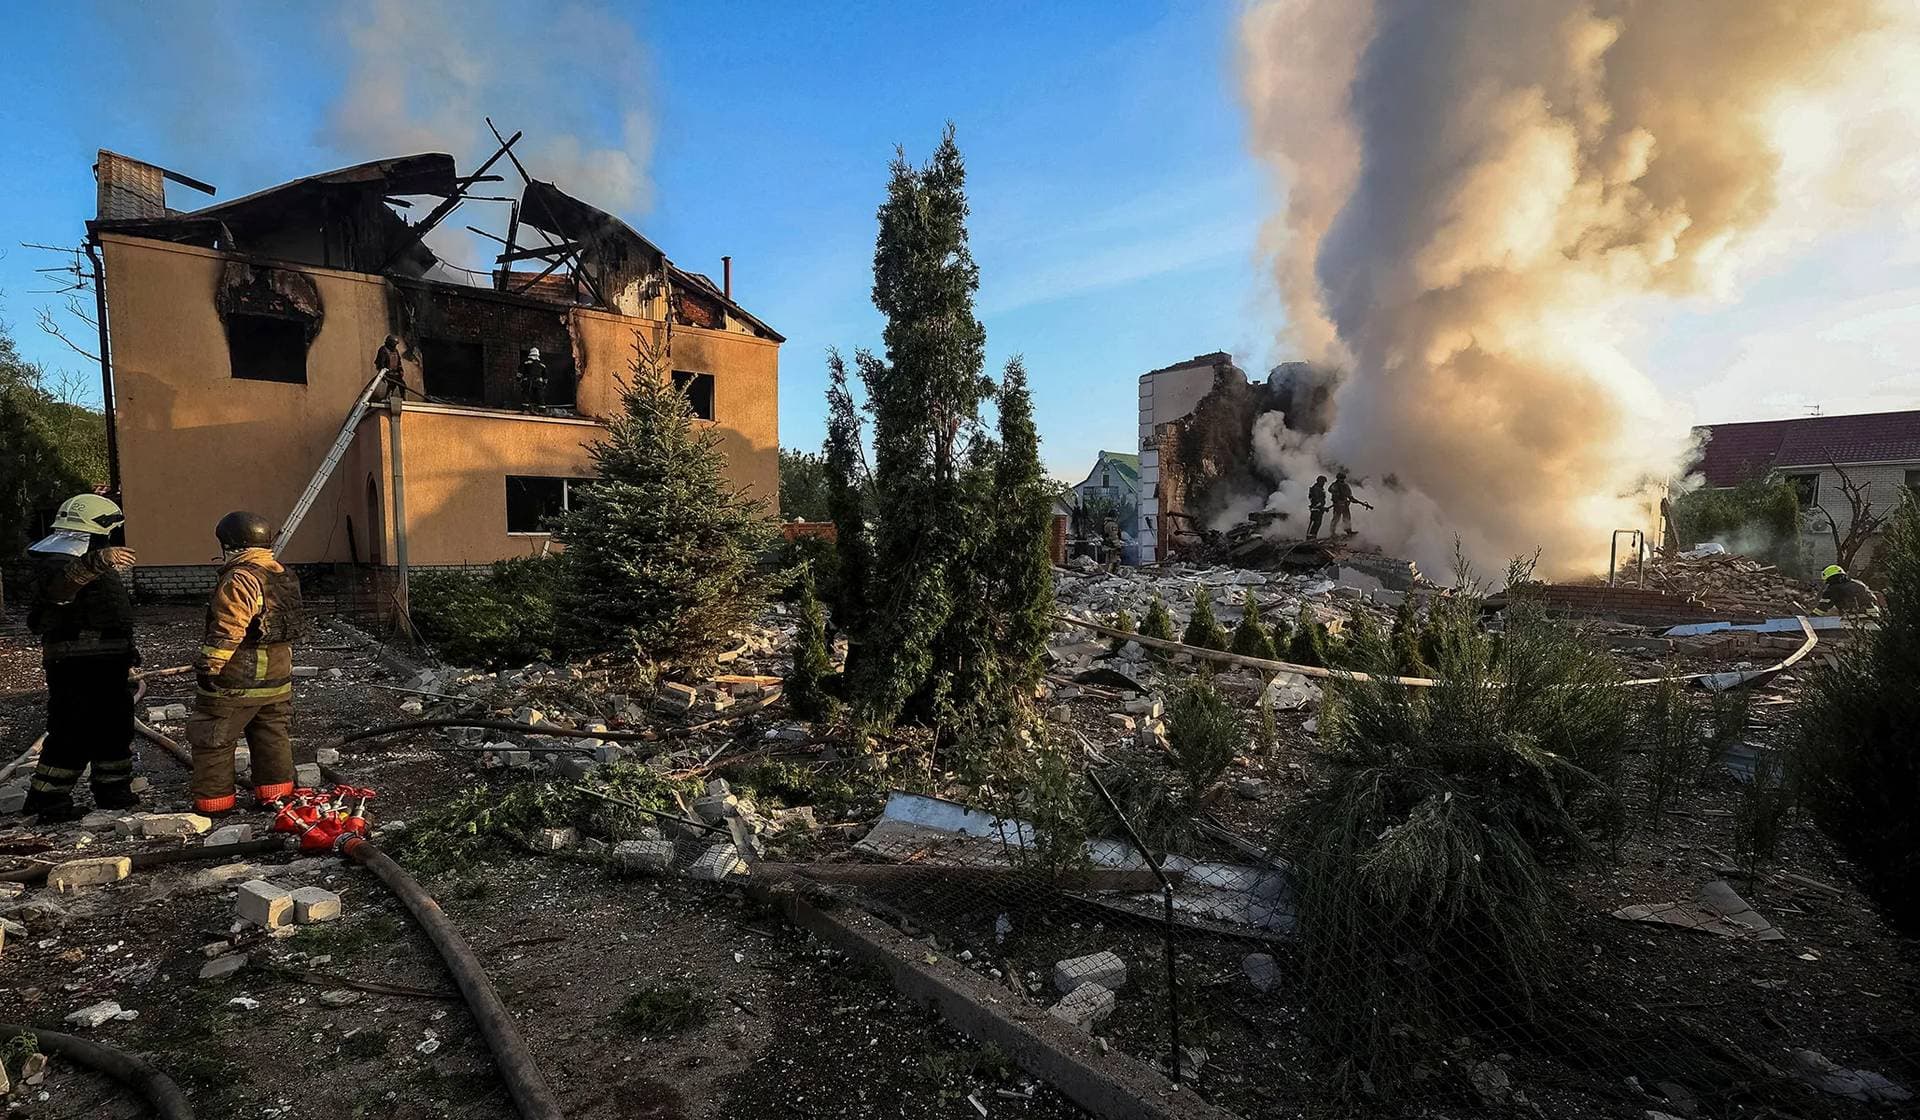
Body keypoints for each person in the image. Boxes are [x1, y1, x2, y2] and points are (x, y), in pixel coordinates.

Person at [21, 495, 141, 821]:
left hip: (107, 662)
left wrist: (125, 649)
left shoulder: (84, 558)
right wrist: (97, 561)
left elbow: (105, 611)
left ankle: (113, 792)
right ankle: (47, 800)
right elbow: (60, 591)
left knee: (114, 726)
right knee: (73, 729)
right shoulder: (57, 561)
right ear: (98, 530)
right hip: (75, 664)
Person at [187, 511, 306, 815]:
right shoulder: (282, 574)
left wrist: (209, 667)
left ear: (229, 543)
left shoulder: (240, 578)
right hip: (278, 678)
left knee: (213, 737)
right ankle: (276, 796)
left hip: (238, 680)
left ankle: (214, 803)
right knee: (272, 738)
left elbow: (229, 627)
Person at [1818, 564, 1883, 615]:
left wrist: (1813, 617)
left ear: (1830, 579)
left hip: (1853, 618)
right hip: (1874, 616)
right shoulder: (1858, 583)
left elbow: (1823, 607)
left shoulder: (1833, 588)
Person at [1328, 470, 1372, 536]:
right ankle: (1332, 532)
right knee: (1336, 518)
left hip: (1345, 504)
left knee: (1347, 517)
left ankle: (1348, 530)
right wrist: (1337, 500)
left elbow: (1349, 495)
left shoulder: (1346, 486)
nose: (1342, 479)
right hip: (1338, 504)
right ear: (1338, 478)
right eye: (1340, 478)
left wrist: (1353, 500)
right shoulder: (1334, 485)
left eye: (1343, 478)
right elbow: (1331, 491)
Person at [518, 347, 547, 412]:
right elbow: (545, 376)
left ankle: (525, 410)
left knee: (526, 395)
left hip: (528, 381)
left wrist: (518, 379)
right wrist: (544, 384)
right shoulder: (542, 364)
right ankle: (542, 410)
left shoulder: (526, 362)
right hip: (538, 383)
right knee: (540, 396)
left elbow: (520, 372)